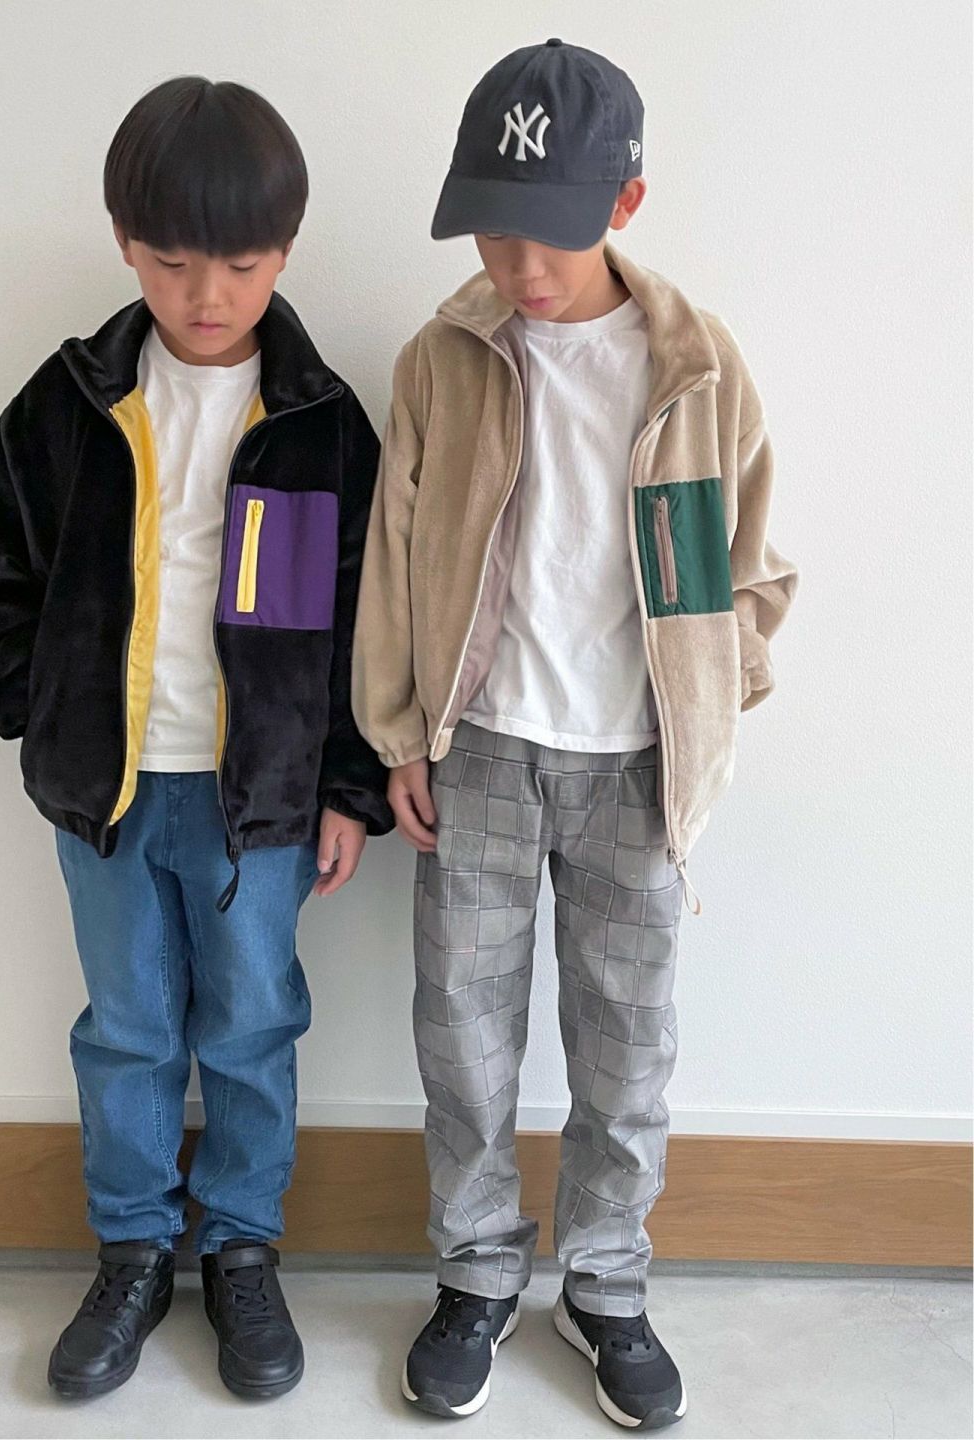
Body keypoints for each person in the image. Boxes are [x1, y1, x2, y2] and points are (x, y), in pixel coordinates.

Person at [353, 39, 797, 1430]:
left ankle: (605, 1285)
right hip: (481, 748)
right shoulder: (446, 356)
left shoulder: (695, 366)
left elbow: (751, 565)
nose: (520, 264)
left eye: (547, 232)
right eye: (493, 230)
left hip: (637, 768)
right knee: (463, 1038)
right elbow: (393, 553)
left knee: (627, 1048)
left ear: (625, 202)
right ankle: (476, 1273)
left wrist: (710, 695)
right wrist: (399, 735)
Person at [0, 75, 390, 1402]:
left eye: (241, 267)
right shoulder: (68, 404)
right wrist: (40, 716)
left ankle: (242, 1246)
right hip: (110, 793)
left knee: (251, 1023)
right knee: (130, 1027)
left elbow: (373, 623)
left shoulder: (320, 423)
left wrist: (349, 787)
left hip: (264, 804)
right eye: (174, 262)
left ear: (286, 252)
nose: (207, 295)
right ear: (125, 245)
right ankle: (134, 1248)